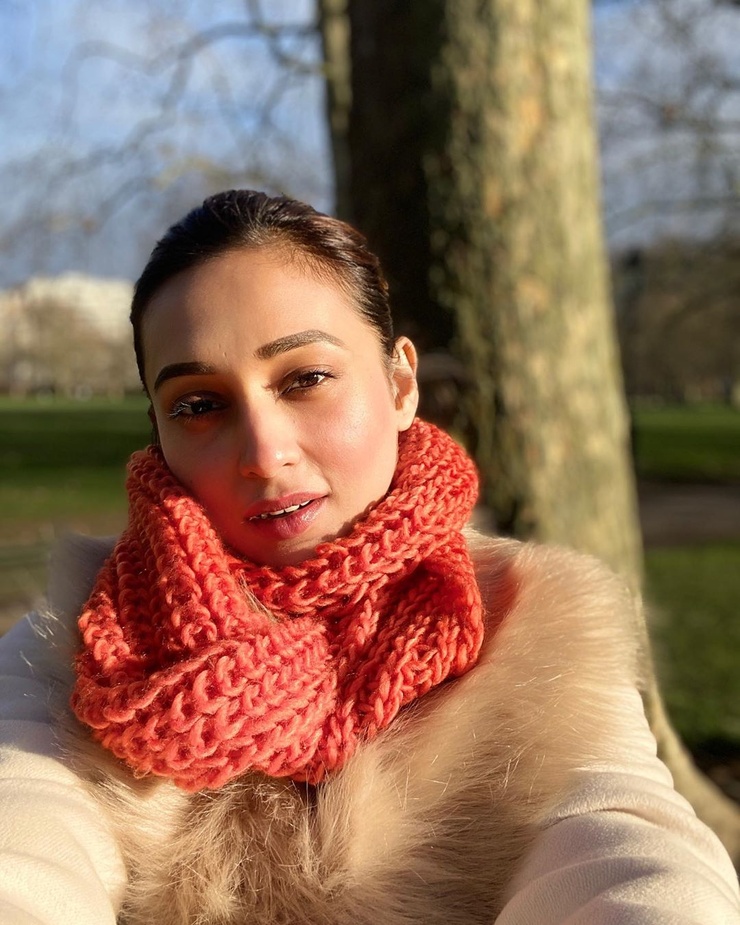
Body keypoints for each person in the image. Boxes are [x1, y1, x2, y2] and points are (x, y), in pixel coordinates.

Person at [0, 190, 738, 925]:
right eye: (199, 405)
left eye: (305, 379)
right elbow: (24, 823)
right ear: (159, 431)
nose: (264, 452)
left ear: (400, 384)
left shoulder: (539, 621)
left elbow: (618, 836)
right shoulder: (75, 640)